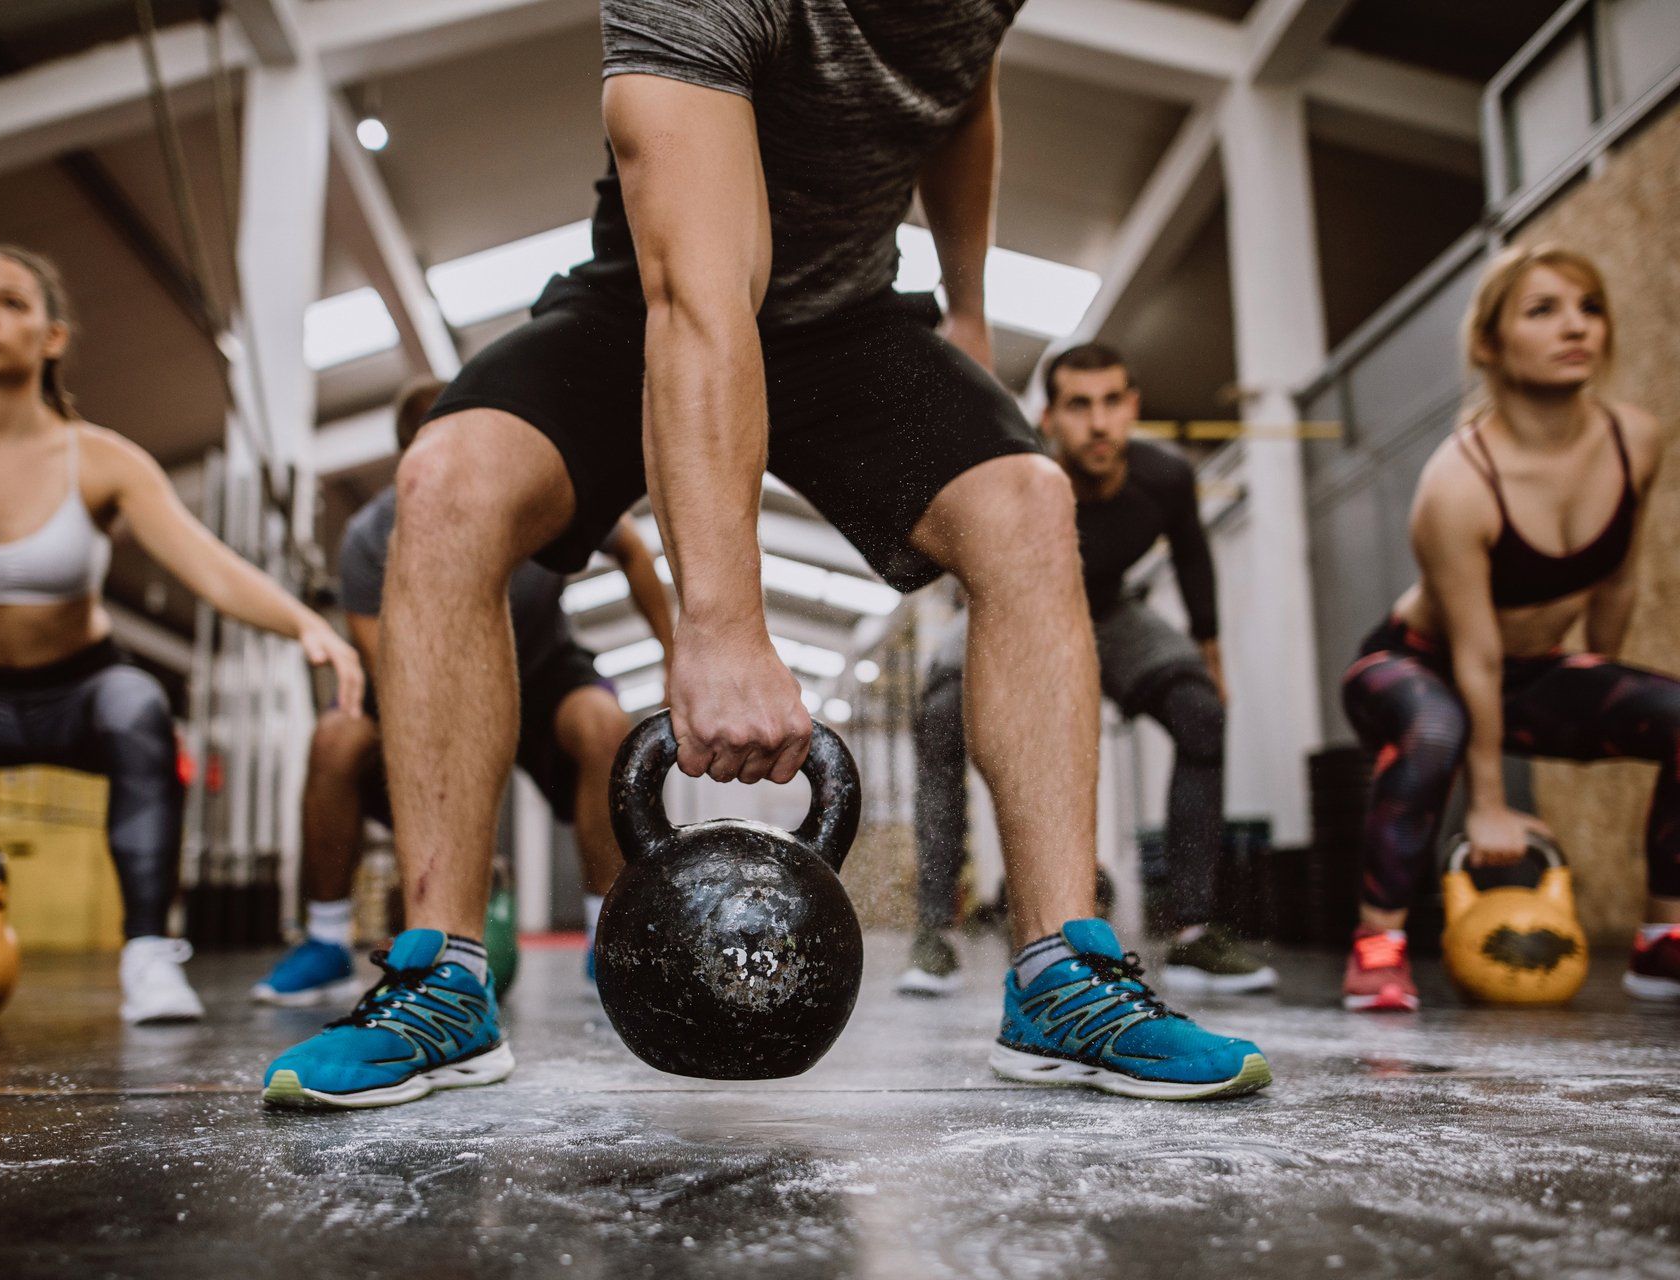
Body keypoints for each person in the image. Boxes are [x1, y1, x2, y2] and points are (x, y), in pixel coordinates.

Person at [262, 0, 1270, 1109]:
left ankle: (1058, 972)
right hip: (654, 303)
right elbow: (698, 305)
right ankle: (442, 973)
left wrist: (972, 306)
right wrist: (722, 625)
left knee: (1026, 500)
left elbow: (961, 83)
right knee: (446, 483)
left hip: (853, 320)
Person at [0, 245, 362, 1028]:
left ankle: (148, 954)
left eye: (11, 302)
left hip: (83, 694)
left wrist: (306, 622)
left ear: (52, 336)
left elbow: (208, 569)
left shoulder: (102, 459)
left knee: (139, 706)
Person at [250, 379, 673, 1006]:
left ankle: (606, 936)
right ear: (410, 461)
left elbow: (634, 550)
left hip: (542, 668)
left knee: (604, 726)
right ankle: (324, 941)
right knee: (336, 738)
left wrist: (674, 649)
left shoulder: (542, 490)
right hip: (425, 679)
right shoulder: (372, 536)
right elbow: (384, 663)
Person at [1340, 244, 1676, 1011]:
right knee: (1436, 729)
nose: (1577, 328)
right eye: (1544, 310)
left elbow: (1619, 577)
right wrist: (1488, 802)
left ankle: (1663, 943)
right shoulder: (1457, 484)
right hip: (1416, 666)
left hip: (1526, 671)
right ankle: (1377, 945)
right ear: (1489, 344)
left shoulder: (1636, 440)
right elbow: (1476, 651)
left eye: (1589, 308)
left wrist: (1596, 685)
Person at [899, 345, 1274, 997]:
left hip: (1109, 611)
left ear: (1132, 406)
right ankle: (936, 931)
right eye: (1079, 406)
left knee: (1200, 714)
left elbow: (1194, 562)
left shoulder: (1165, 477)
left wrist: (1210, 665)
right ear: (1049, 417)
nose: (1098, 424)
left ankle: (1192, 931)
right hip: (1016, 606)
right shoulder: (1019, 473)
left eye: (1111, 403)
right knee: (938, 711)